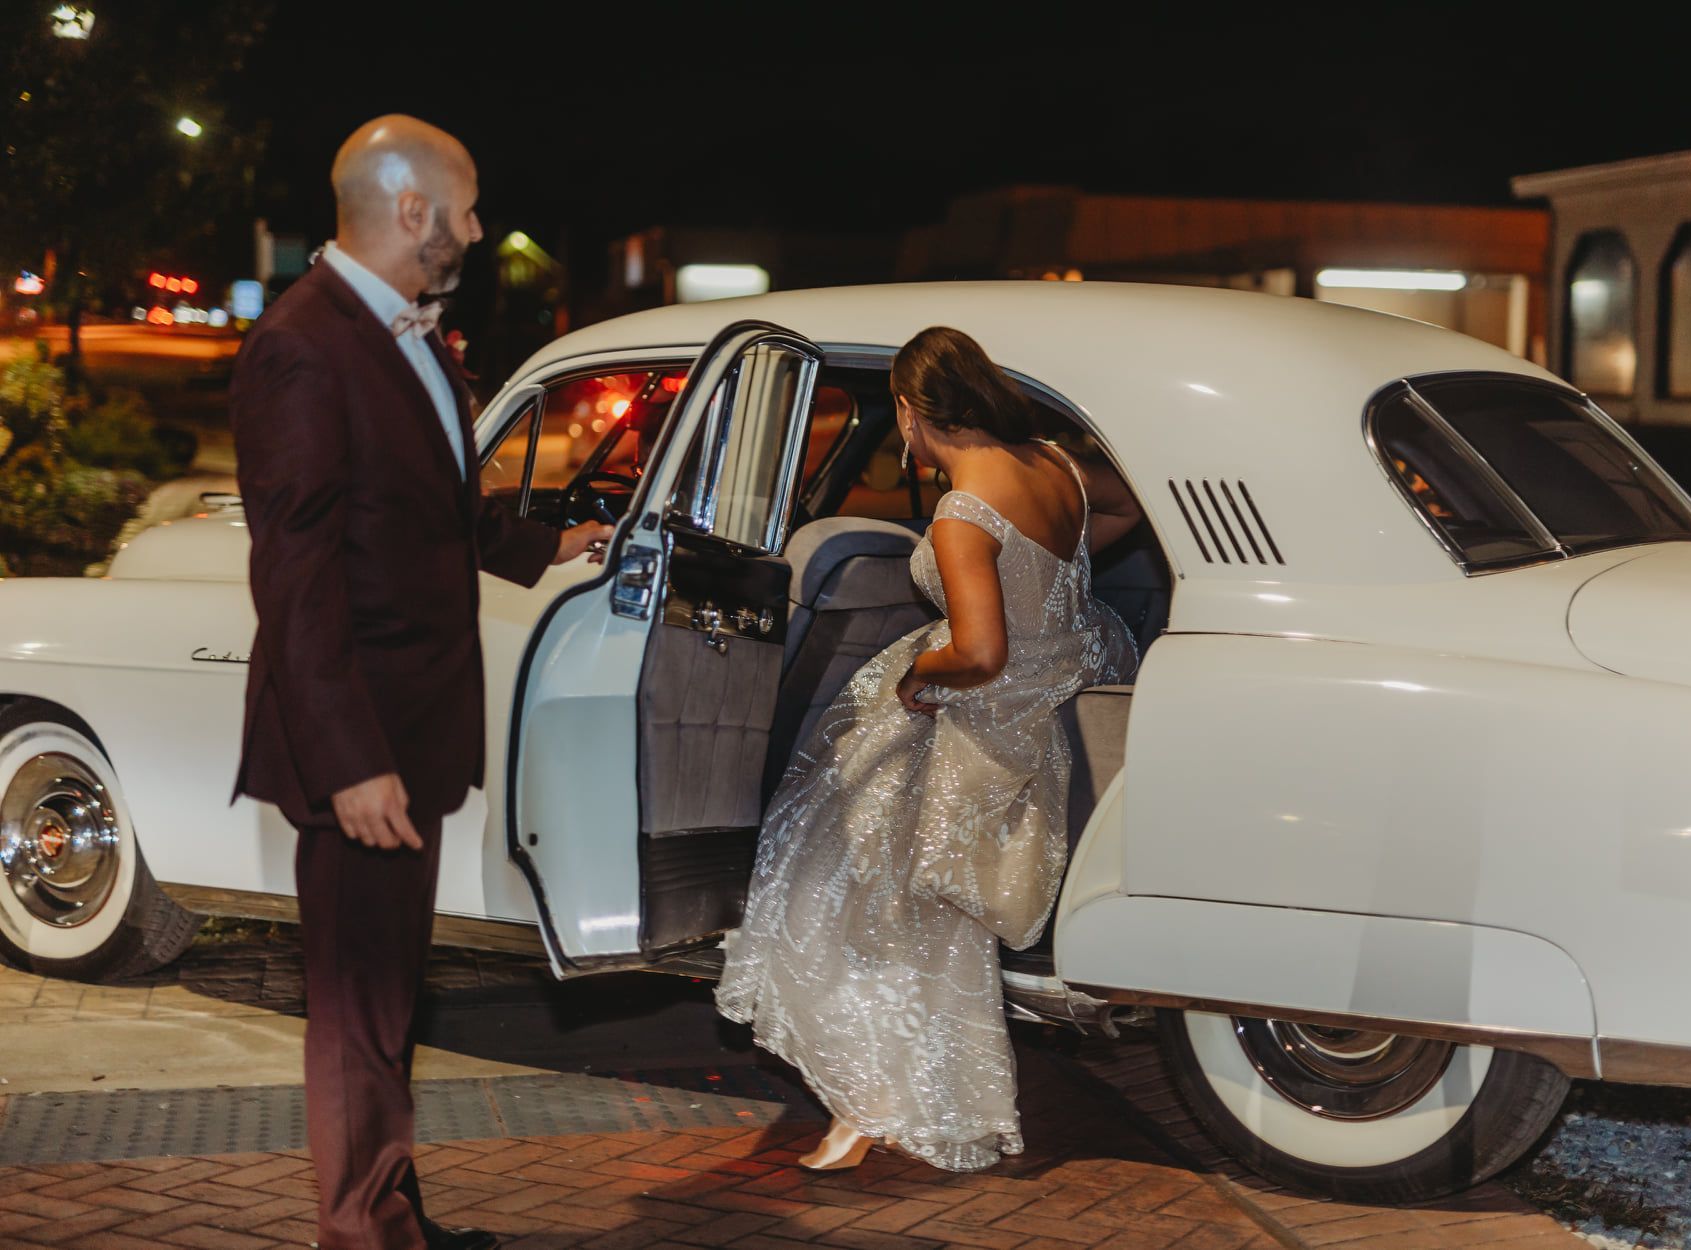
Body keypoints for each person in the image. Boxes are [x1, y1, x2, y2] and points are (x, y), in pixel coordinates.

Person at [230, 115, 610, 1250]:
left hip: (413, 728)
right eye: (469, 207)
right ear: (411, 212)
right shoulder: (306, 343)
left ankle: (389, 1206)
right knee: (356, 1008)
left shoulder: (399, 336)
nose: (479, 229)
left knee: (389, 998)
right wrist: (349, 760)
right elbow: (295, 575)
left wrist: (551, 543)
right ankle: (363, 1229)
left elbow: (426, 508)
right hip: (365, 743)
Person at [716, 325, 1142, 1172]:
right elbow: (1121, 507)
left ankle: (872, 1096)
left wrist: (919, 677)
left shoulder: (961, 514)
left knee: (837, 866)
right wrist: (1053, 596)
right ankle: (882, 1090)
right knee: (870, 859)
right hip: (1067, 674)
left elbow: (980, 655)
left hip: (992, 709)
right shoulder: (1052, 465)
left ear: (910, 413)